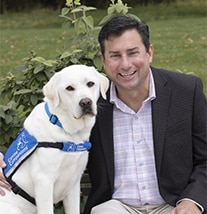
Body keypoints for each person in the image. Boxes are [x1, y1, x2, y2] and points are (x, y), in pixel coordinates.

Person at [0, 15, 206, 214]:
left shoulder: (186, 91)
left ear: (149, 52)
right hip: (114, 207)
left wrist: (192, 200)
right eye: (115, 55)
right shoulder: (85, 104)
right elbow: (40, 138)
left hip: (173, 205)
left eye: (133, 52)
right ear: (103, 60)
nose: (125, 64)